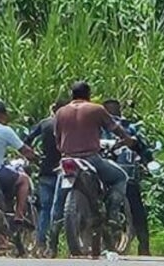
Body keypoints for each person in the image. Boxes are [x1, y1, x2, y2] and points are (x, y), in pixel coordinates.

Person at [54, 81, 135, 232]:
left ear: (72, 95)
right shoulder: (96, 109)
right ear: (89, 95)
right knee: (120, 177)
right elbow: (115, 128)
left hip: (67, 159)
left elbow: (57, 139)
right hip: (91, 158)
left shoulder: (60, 112)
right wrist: (127, 139)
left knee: (58, 198)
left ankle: (51, 238)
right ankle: (112, 214)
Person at [103, 99, 153, 255]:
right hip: (128, 175)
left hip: (104, 175)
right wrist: (148, 162)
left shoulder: (99, 127)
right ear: (119, 111)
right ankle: (144, 246)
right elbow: (143, 149)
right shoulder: (129, 127)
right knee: (137, 211)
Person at [24, 98, 67, 252]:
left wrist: (34, 156)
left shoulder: (45, 123)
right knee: (62, 208)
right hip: (65, 171)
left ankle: (41, 243)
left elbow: (27, 139)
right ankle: (55, 245)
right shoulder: (69, 124)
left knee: (45, 209)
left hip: (45, 170)